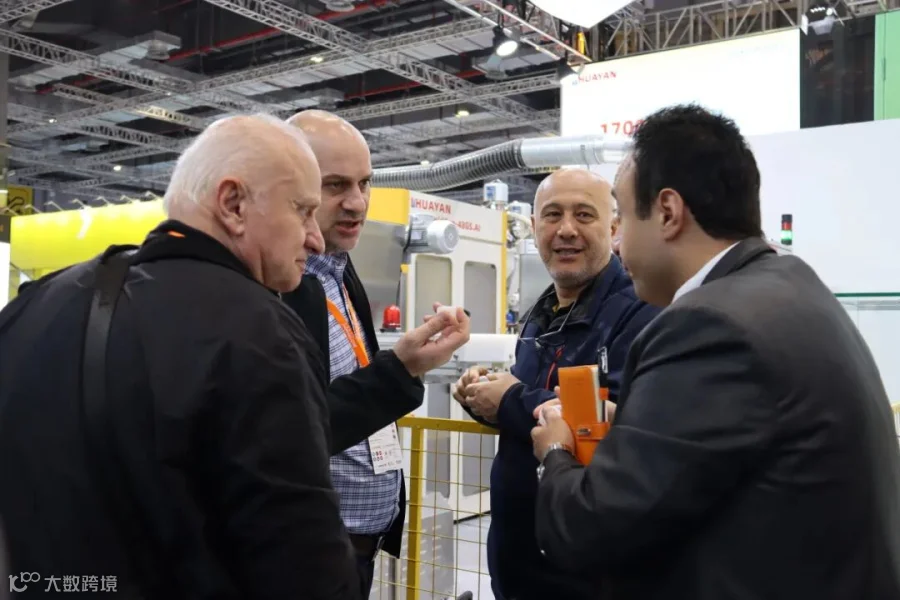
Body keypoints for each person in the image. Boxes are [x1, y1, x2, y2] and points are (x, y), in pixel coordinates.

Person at [0, 114, 471, 600]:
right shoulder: (256, 327)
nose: (314, 237)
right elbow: (299, 553)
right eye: (303, 209)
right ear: (233, 204)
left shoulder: (40, 303)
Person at [531, 104, 900, 599]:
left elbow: (592, 528)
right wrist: (640, 424)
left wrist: (554, 452)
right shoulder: (789, 285)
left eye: (624, 217)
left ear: (667, 212)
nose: (617, 246)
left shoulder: (707, 326)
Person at [452, 168, 660, 600]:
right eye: (552, 215)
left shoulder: (640, 314)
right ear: (534, 227)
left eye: (584, 214)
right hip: (518, 559)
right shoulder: (542, 313)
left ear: (614, 228)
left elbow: (622, 424)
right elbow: (531, 416)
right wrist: (484, 399)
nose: (566, 229)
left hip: (583, 567)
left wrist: (510, 397)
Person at [280, 109, 416, 596]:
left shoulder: (340, 271)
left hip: (355, 548)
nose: (357, 202)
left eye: (365, 182)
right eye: (336, 185)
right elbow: (294, 430)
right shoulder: (280, 287)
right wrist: (402, 370)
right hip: (303, 555)